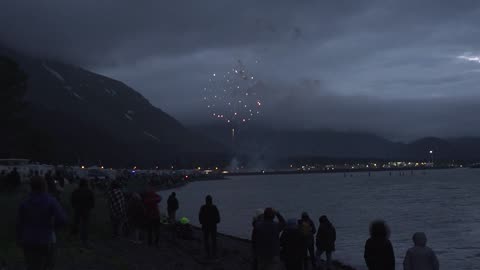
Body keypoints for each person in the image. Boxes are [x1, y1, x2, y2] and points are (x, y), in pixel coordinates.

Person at [17, 175, 67, 270]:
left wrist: (19, 238)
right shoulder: (51, 200)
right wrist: (53, 226)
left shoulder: (24, 202)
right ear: (44, 186)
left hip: (28, 240)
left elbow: (19, 223)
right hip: (46, 239)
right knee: (47, 265)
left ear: (31, 186)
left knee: (32, 266)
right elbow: (62, 219)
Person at [71, 179, 95, 248]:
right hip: (86, 210)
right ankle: (84, 240)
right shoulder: (89, 191)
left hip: (77, 209)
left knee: (76, 222)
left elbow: (72, 200)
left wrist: (74, 206)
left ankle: (73, 235)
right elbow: (92, 201)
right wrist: (90, 207)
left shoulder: (76, 191)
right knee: (85, 225)